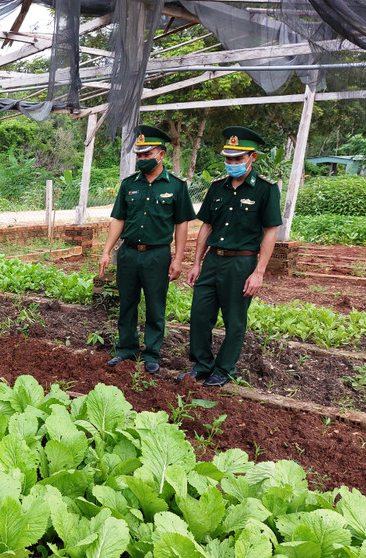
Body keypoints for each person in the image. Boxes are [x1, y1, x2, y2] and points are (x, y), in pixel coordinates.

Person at [180, 126, 281, 387]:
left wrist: (259, 272)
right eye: (228, 158)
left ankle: (224, 369)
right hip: (213, 260)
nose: (232, 163)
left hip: (241, 263)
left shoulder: (266, 189)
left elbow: (270, 231)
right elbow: (206, 226)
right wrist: (196, 263)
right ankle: (202, 364)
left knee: (234, 319)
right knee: (200, 314)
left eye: (238, 159)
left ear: (252, 157)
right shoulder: (217, 188)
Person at [99, 124, 195, 374]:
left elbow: (181, 225)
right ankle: (126, 349)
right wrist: (107, 251)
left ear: (161, 154)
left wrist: (178, 259)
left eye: (147, 154)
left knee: (155, 305)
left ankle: (152, 353)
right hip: (128, 253)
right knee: (127, 303)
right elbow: (118, 219)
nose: (142, 159)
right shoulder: (129, 184)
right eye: (139, 155)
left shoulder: (176, 185)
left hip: (157, 255)